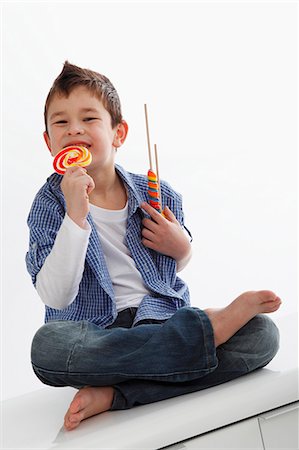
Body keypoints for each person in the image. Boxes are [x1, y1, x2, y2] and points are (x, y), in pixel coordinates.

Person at [26, 61, 281, 431]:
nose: (75, 129)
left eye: (89, 119)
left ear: (118, 132)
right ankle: (205, 331)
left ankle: (116, 394)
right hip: (98, 332)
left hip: (161, 318)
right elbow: (56, 297)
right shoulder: (50, 204)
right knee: (47, 349)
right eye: (61, 122)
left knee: (262, 336)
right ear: (50, 141)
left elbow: (169, 269)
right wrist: (75, 217)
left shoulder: (155, 193)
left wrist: (183, 250)